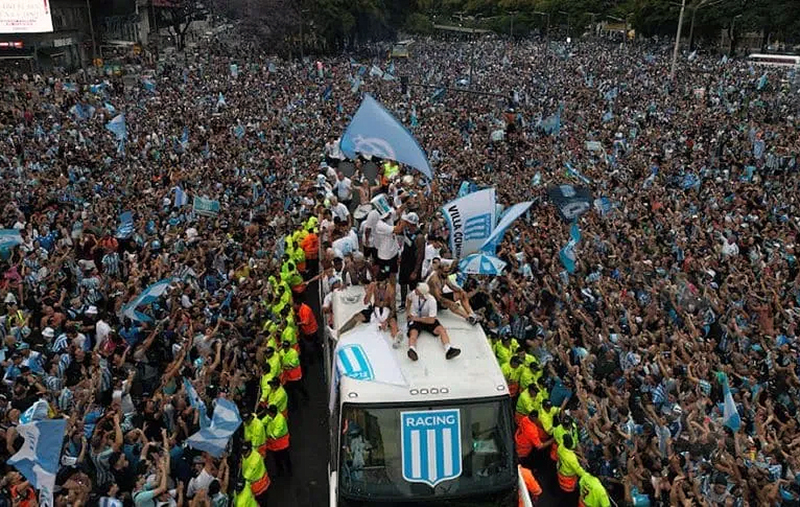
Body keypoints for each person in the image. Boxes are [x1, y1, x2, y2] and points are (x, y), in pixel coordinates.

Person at [405, 282, 460, 361]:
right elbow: (408, 299)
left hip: (426, 319)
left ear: (422, 292)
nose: (415, 290)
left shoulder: (432, 301)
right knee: (413, 334)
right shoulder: (414, 294)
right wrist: (408, 312)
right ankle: (412, 349)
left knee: (442, 330)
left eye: (417, 290)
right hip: (415, 317)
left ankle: (449, 349)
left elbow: (431, 320)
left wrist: (416, 319)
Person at [426, 257, 479, 325]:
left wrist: (461, 291)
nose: (447, 274)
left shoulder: (444, 275)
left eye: (448, 271)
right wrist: (451, 302)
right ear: (439, 270)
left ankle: (471, 314)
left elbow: (451, 286)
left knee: (462, 294)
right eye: (445, 272)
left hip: (440, 297)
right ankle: (468, 317)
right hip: (433, 301)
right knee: (452, 304)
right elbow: (438, 298)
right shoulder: (434, 280)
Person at [397, 212, 425, 307]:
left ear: (410, 223)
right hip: (404, 262)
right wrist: (401, 256)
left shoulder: (419, 237)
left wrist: (415, 271)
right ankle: (403, 302)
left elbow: (420, 256)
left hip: (413, 265)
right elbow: (405, 246)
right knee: (402, 283)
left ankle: (414, 304)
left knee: (413, 286)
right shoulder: (407, 232)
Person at [262, 404, 292, 477]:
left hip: (282, 444)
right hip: (274, 444)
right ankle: (280, 471)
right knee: (276, 459)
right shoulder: (271, 416)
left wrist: (267, 436)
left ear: (271, 413)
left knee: (285, 458)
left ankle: (289, 471)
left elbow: (275, 434)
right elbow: (263, 421)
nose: (267, 413)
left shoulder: (280, 420)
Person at [240, 440, 270, 505]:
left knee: (262, 501)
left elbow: (246, 476)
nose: (243, 454)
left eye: (245, 452)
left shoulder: (255, 460)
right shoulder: (248, 454)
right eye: (243, 452)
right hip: (256, 485)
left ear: (250, 450)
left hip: (260, 485)